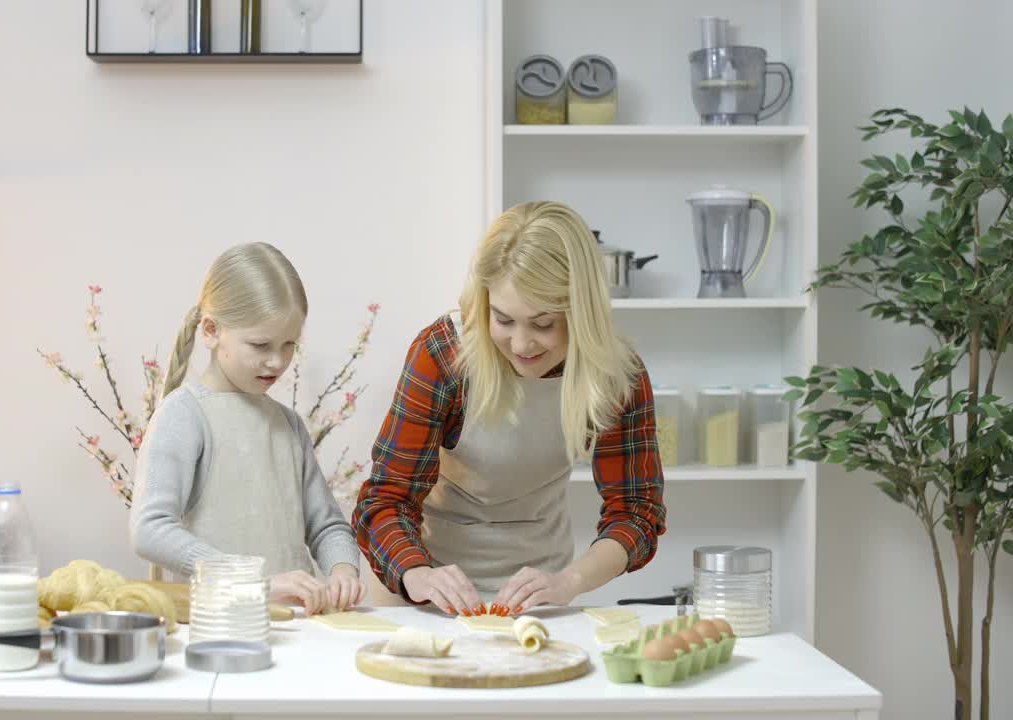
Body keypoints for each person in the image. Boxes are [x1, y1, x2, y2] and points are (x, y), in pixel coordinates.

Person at [352, 201, 666, 617]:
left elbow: (637, 512)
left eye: (543, 324)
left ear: (581, 313)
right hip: (423, 583)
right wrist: (419, 574)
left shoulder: (614, 375)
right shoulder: (444, 354)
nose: (521, 345)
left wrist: (570, 581)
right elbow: (386, 500)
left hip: (541, 586)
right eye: (503, 320)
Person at [131, 242, 363, 615]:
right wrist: (249, 582)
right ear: (210, 331)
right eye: (260, 344)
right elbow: (150, 530)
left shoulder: (288, 425)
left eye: (289, 345)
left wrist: (343, 571)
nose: (276, 361)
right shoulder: (185, 415)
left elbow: (328, 526)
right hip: (219, 626)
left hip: (297, 628)